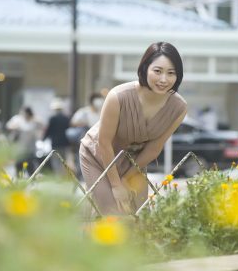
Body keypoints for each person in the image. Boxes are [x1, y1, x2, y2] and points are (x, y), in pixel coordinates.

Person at [79, 42, 187, 215]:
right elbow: (104, 142)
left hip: (134, 163)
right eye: (157, 71)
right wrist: (116, 184)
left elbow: (154, 148)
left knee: (137, 215)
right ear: (145, 68)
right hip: (99, 156)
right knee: (113, 213)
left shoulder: (178, 107)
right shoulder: (118, 96)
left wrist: (126, 178)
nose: (163, 79)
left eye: (171, 73)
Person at [69, 92, 105, 178]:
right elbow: (73, 122)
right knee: (83, 157)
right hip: (85, 138)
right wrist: (83, 123)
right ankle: (82, 176)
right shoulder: (84, 112)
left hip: (99, 139)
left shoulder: (102, 111)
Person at [6, 106, 43, 175]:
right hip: (19, 149)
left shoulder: (33, 121)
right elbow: (8, 126)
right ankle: (19, 182)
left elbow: (42, 124)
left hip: (30, 149)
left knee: (30, 168)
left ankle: (32, 182)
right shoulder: (17, 119)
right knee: (19, 168)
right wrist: (16, 127)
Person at [43, 98, 70, 175]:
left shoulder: (52, 119)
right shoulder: (66, 118)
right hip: (65, 142)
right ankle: (63, 175)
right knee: (63, 160)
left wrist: (43, 139)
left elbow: (48, 131)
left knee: (55, 160)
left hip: (55, 142)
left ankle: (58, 176)